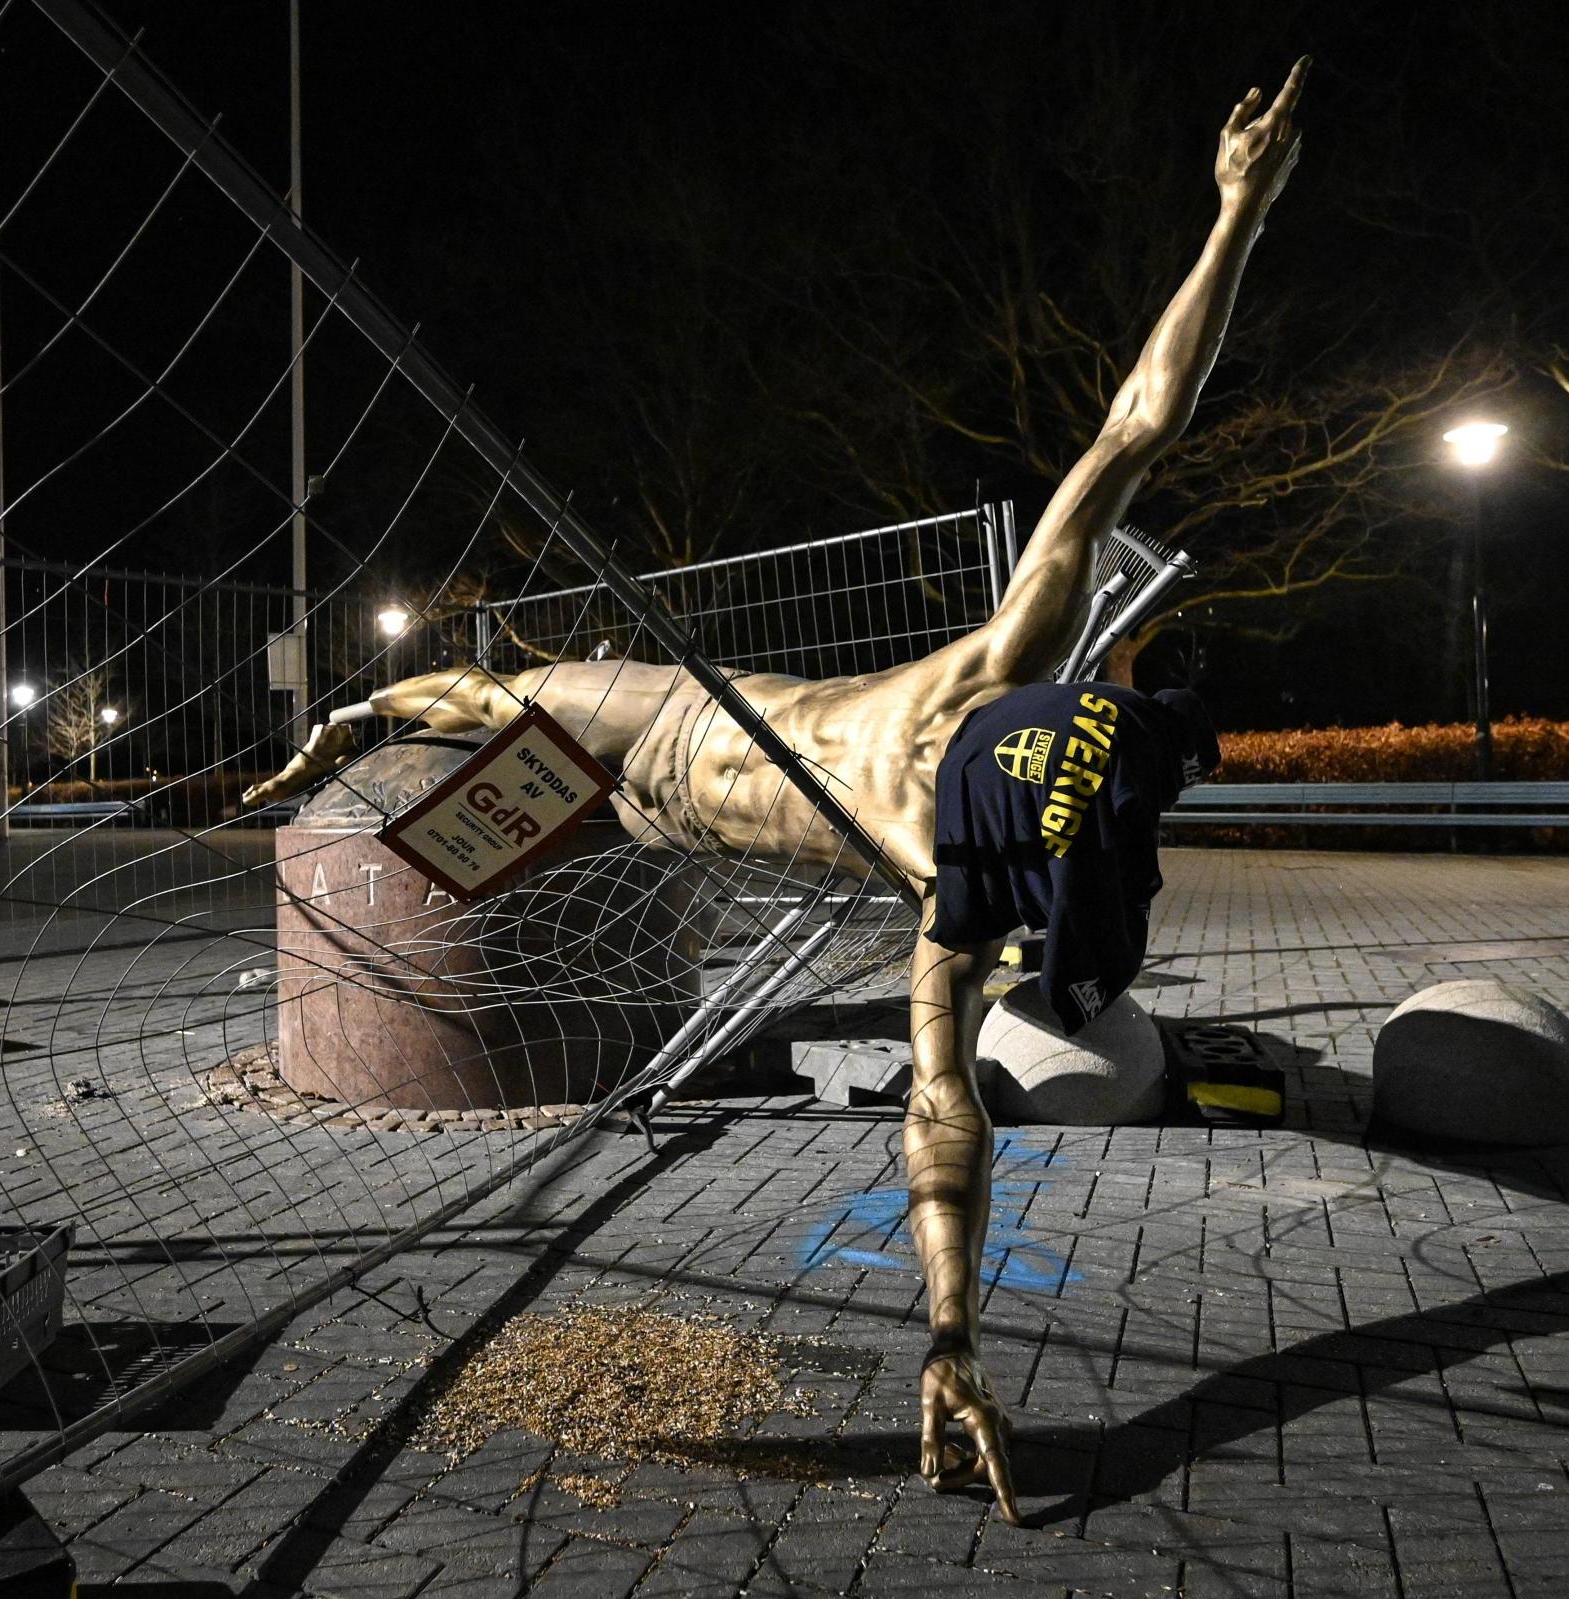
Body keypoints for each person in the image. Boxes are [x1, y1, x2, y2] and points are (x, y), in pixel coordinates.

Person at [244, 58, 1308, 1523]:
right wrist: (1236, 217)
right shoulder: (992, 721)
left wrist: (950, 1339)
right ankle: (365, 704)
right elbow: (1135, 423)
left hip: (662, 769)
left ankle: (372, 707)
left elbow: (946, 1118)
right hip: (658, 726)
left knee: (511, 700)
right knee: (501, 692)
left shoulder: (963, 838)